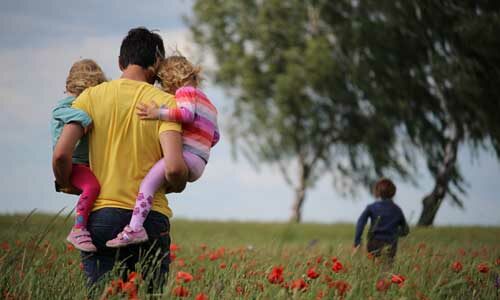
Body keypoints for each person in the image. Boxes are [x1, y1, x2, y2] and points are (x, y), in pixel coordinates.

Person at [52, 27, 188, 291]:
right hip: (150, 219)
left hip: (101, 216)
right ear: (157, 64)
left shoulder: (90, 97)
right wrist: (179, 182)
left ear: (120, 62)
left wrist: (67, 182)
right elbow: (173, 167)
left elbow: (60, 154)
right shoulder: (165, 103)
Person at [107, 55, 219, 247]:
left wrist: (157, 113)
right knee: (159, 181)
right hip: (200, 162)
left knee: (147, 184)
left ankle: (135, 228)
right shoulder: (209, 104)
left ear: (170, 78)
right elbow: (215, 136)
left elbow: (186, 114)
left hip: (187, 157)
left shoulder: (185, 91)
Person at [51, 59, 106, 252]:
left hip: (83, 163)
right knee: (92, 186)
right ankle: (78, 228)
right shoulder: (70, 104)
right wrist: (84, 118)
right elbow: (58, 111)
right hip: (74, 163)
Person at [353, 178, 409, 260]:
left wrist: (357, 241)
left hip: (374, 243)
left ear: (377, 191)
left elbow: (360, 224)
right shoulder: (397, 209)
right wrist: (395, 233)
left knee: (374, 267)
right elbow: (405, 230)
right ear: (393, 192)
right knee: (387, 269)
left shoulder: (371, 207)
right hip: (391, 244)